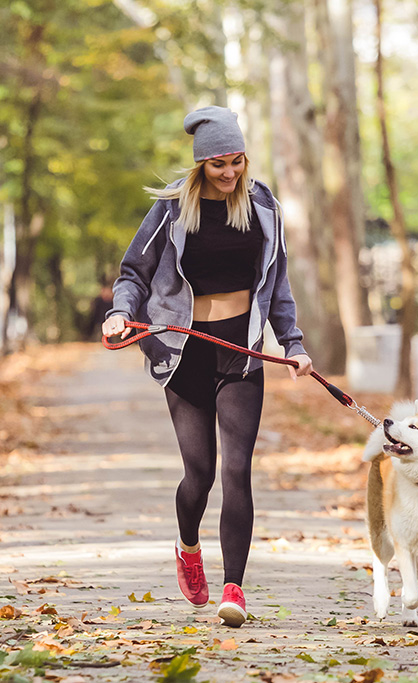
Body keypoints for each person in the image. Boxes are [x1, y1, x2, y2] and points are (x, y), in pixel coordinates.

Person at [102, 105, 312, 628]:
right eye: (218, 164)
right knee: (201, 473)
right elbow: (134, 272)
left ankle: (234, 588)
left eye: (237, 161)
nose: (229, 172)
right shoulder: (174, 209)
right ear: (200, 166)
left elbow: (278, 285)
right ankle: (188, 544)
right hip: (183, 349)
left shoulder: (263, 206)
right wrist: (119, 313)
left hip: (241, 349)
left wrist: (292, 343)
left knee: (238, 471)